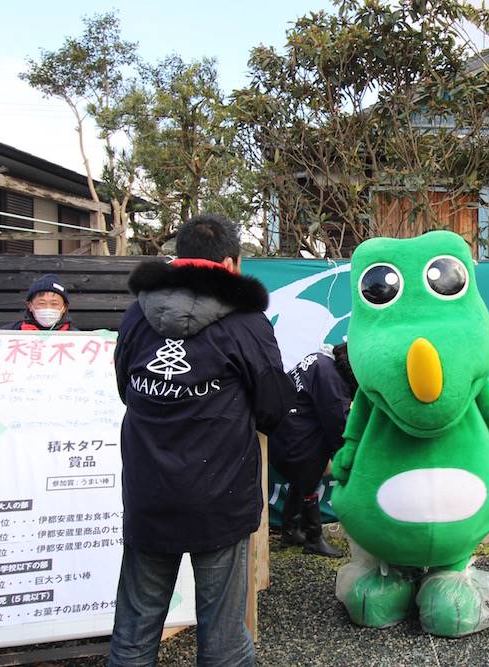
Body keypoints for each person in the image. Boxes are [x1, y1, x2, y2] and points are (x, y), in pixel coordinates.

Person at [110, 213, 294, 666]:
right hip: (220, 498)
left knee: (134, 632)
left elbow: (125, 388)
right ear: (230, 263)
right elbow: (273, 406)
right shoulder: (246, 322)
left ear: (180, 256)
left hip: (149, 493)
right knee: (224, 639)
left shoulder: (138, 314)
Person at [269, 343, 358, 558]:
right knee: (311, 469)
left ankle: (290, 530)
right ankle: (313, 537)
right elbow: (340, 427)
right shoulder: (331, 380)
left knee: (303, 475)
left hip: (279, 431)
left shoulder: (320, 360)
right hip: (293, 439)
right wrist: (350, 457)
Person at [1, 273, 77, 331]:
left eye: (54, 304)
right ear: (30, 305)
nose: (48, 308)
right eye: (42, 303)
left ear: (64, 307)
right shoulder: (9, 332)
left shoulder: (77, 337)